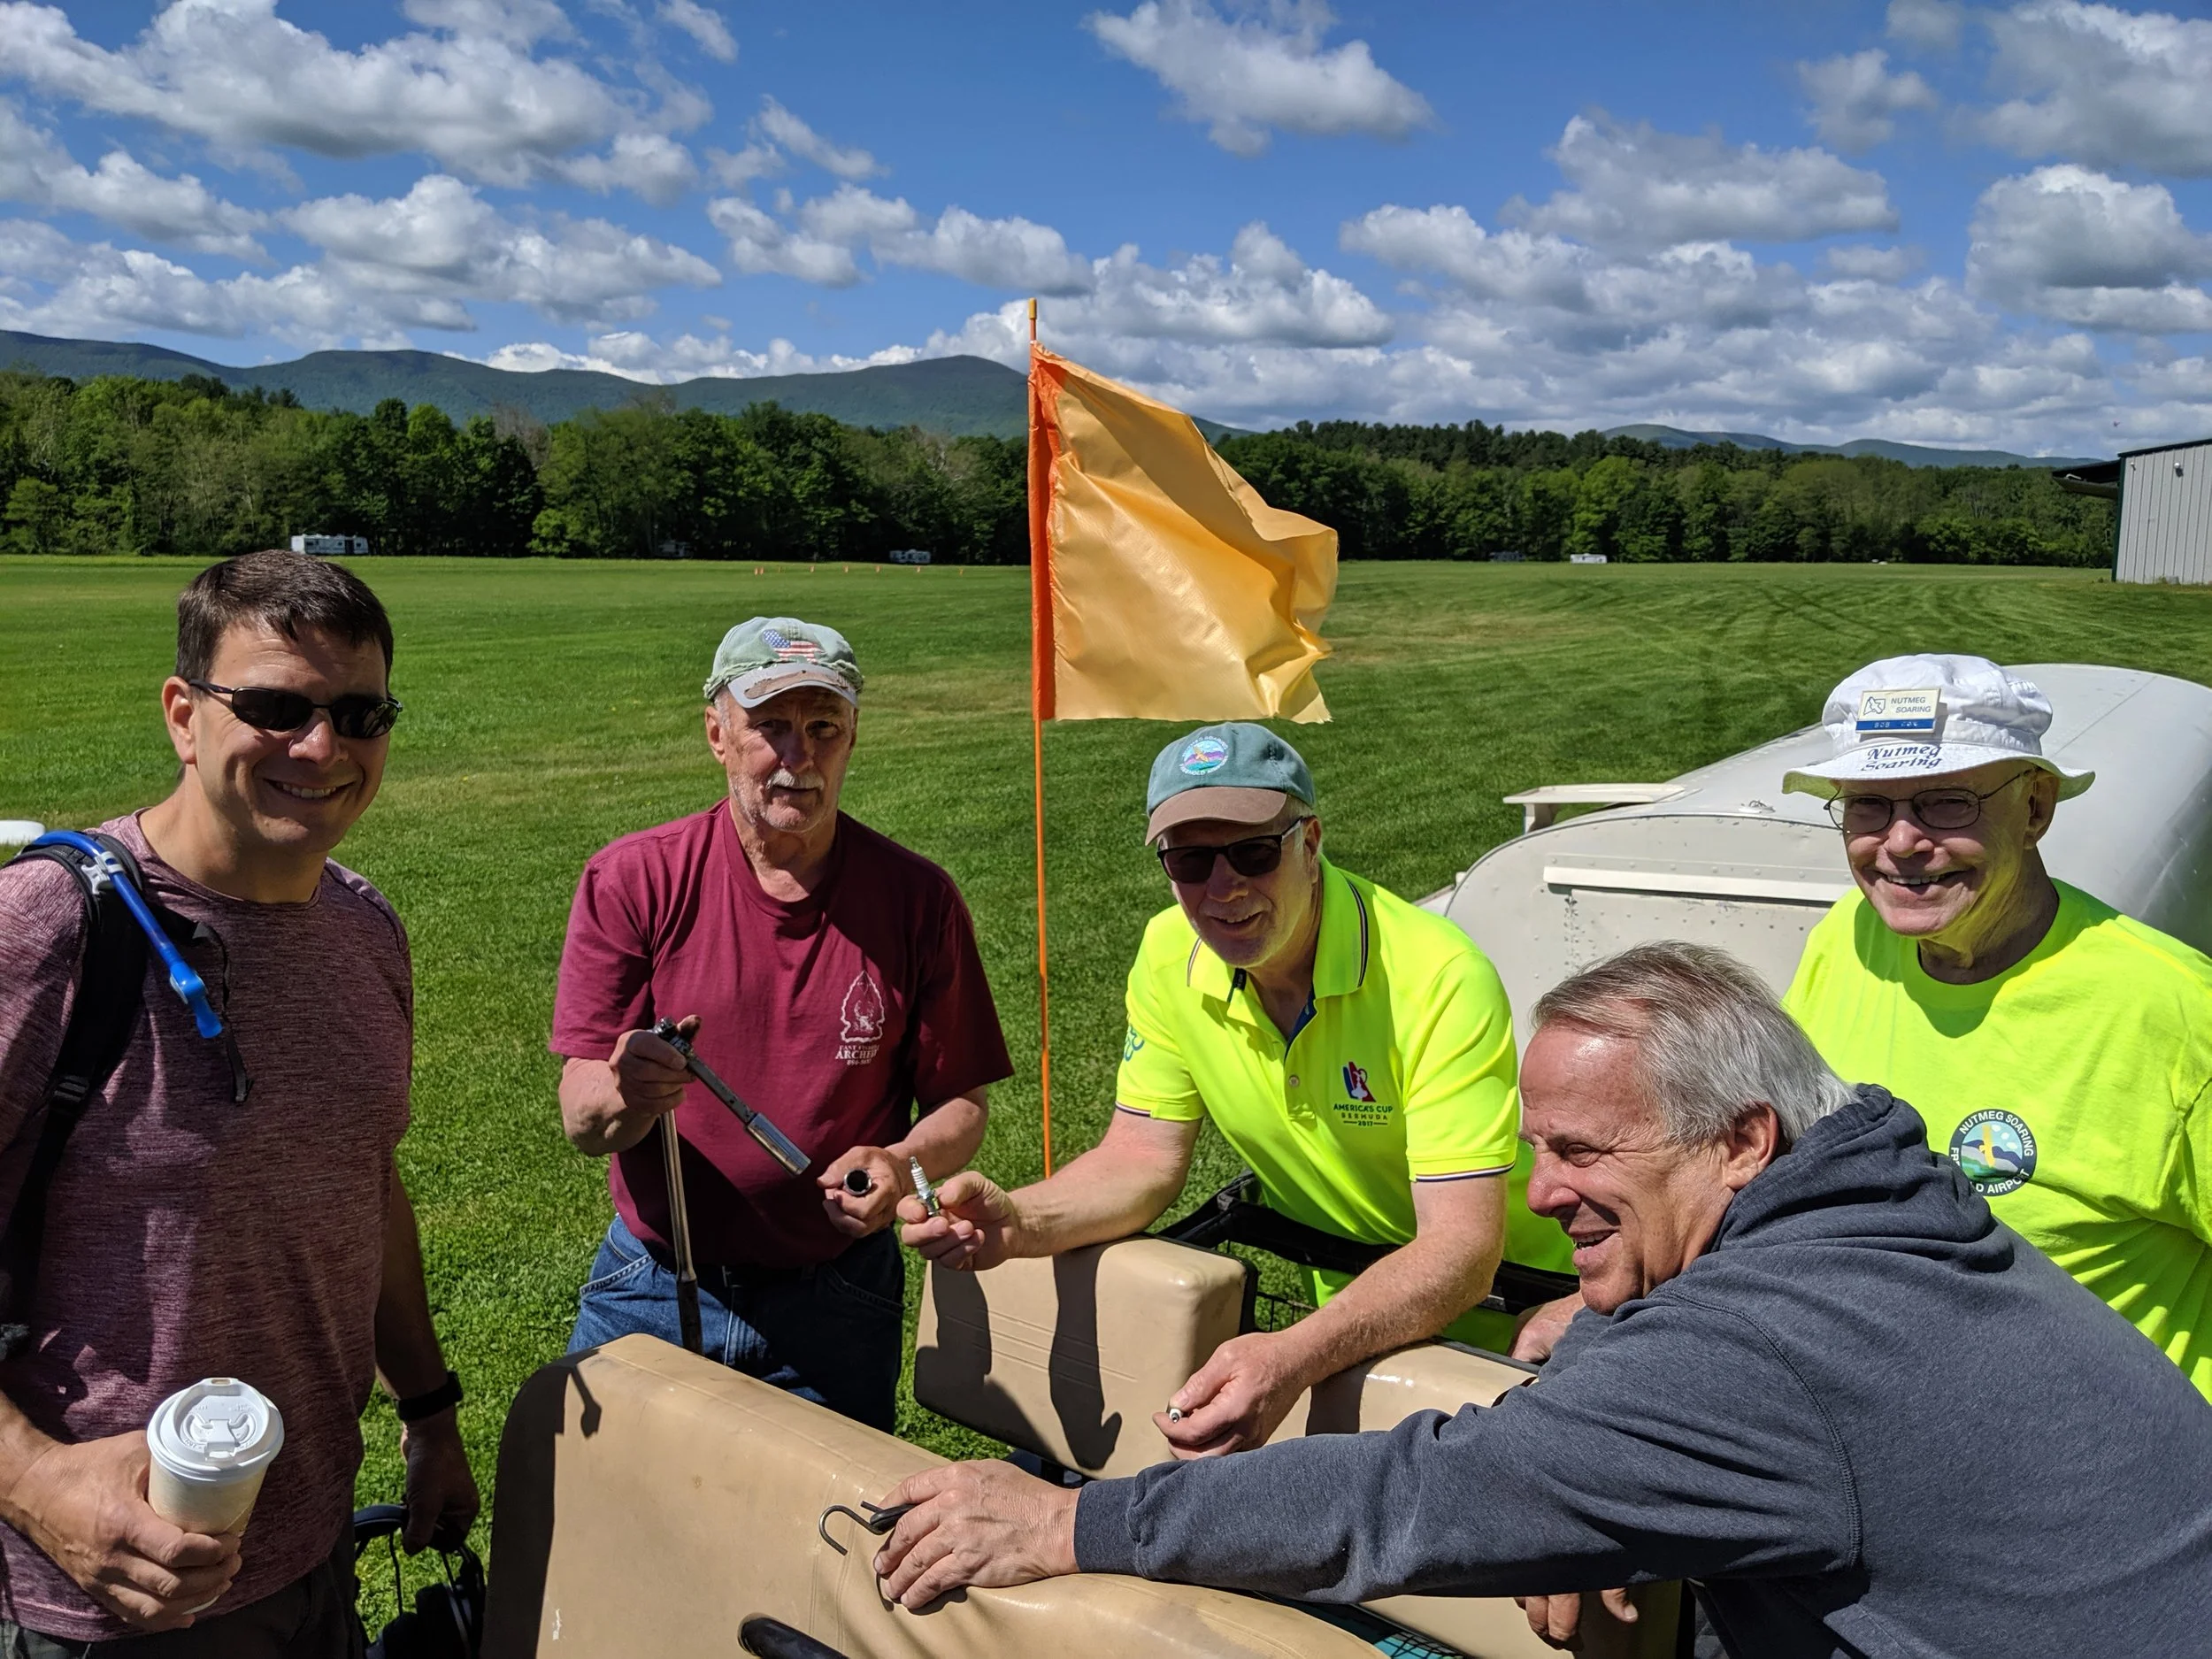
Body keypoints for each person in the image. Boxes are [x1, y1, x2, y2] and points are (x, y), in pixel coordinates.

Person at [868, 942, 2212, 1658]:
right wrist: (1620, 1369)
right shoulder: (1888, 1209)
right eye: (1535, 1144)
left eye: (1581, 1150)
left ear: (1742, 1139)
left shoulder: (1763, 1354)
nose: (1540, 1187)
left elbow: (1411, 1497)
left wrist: (1072, 1516)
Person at [0, 551, 478, 1655]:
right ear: (183, 713)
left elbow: (364, 1185)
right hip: (90, 1599)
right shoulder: (48, 931)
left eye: (361, 712)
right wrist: (33, 1484)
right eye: (275, 707)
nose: (323, 748)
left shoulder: (366, 930)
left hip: (309, 1560)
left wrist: (430, 1411)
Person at [902, 722, 1571, 1459]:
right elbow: (1141, 1156)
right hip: (1360, 1304)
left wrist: (1290, 1355)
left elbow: (1462, 1247)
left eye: (1254, 852)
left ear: (1310, 842)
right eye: (1189, 860)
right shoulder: (1167, 952)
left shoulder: (1437, 976)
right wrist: (1018, 1222)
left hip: (1533, 1304)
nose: (1223, 889)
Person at [551, 616, 1010, 1432]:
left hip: (835, 1295)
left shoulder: (917, 899)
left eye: (823, 727)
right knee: (616, 1533)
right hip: (656, 1279)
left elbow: (961, 1102)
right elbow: (583, 1119)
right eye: (770, 727)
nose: (797, 756)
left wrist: (902, 1163)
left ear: (852, 737)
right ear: (718, 735)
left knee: (820, 1546)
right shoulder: (634, 877)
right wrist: (627, 1090)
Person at [1775, 652, 2212, 1398]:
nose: (1902, 842)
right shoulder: (1846, 939)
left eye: (1947, 802)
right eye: (1867, 805)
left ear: (2037, 807)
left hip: (2111, 1478)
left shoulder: (2171, 1014)